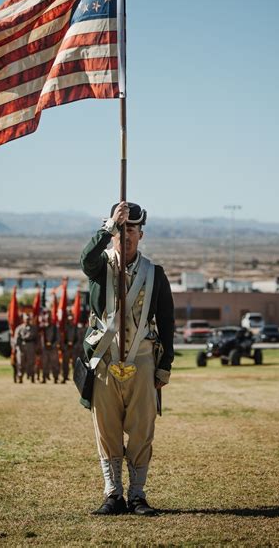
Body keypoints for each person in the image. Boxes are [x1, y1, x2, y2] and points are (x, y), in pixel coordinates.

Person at [80, 201, 175, 516]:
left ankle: (137, 495)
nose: (126, 236)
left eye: (131, 229)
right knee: (106, 429)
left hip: (143, 360)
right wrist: (107, 228)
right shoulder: (100, 266)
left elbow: (167, 321)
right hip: (105, 360)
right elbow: (85, 260)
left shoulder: (155, 274)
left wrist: (165, 365)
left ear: (141, 234)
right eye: (121, 230)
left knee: (140, 429)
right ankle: (112, 494)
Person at [12, 312, 39, 383]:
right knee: (20, 363)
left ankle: (32, 377)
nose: (27, 320)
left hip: (31, 347)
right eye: (26, 319)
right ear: (23, 320)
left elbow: (37, 339)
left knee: (31, 363)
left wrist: (37, 348)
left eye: (28, 319)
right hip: (21, 347)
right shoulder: (19, 328)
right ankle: (20, 377)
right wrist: (17, 347)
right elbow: (16, 338)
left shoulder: (34, 328)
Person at [61, 313, 78, 383]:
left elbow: (78, 339)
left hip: (73, 348)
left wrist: (74, 346)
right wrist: (65, 346)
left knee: (75, 364)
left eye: (71, 320)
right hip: (67, 348)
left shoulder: (75, 328)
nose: (70, 321)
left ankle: (76, 379)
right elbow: (62, 338)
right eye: (69, 320)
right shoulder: (65, 328)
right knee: (65, 364)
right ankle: (65, 377)